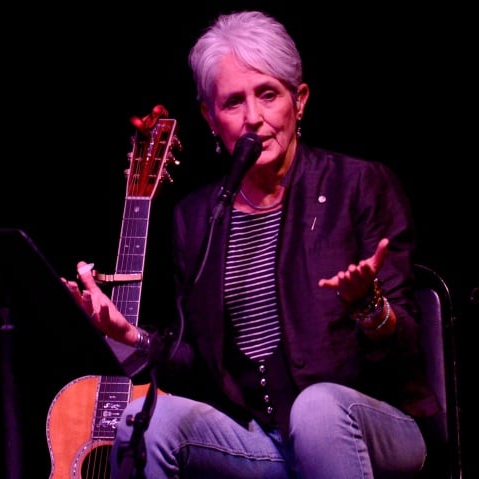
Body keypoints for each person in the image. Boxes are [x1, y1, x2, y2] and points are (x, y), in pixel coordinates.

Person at [63, 10, 440, 479]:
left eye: (268, 95)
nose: (254, 118)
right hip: (263, 440)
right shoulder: (197, 218)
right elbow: (195, 361)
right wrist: (128, 335)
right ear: (210, 117)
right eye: (233, 102)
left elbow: (407, 347)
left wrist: (371, 308)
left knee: (316, 410)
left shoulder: (358, 186)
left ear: (298, 101)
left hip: (373, 424)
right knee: (145, 424)